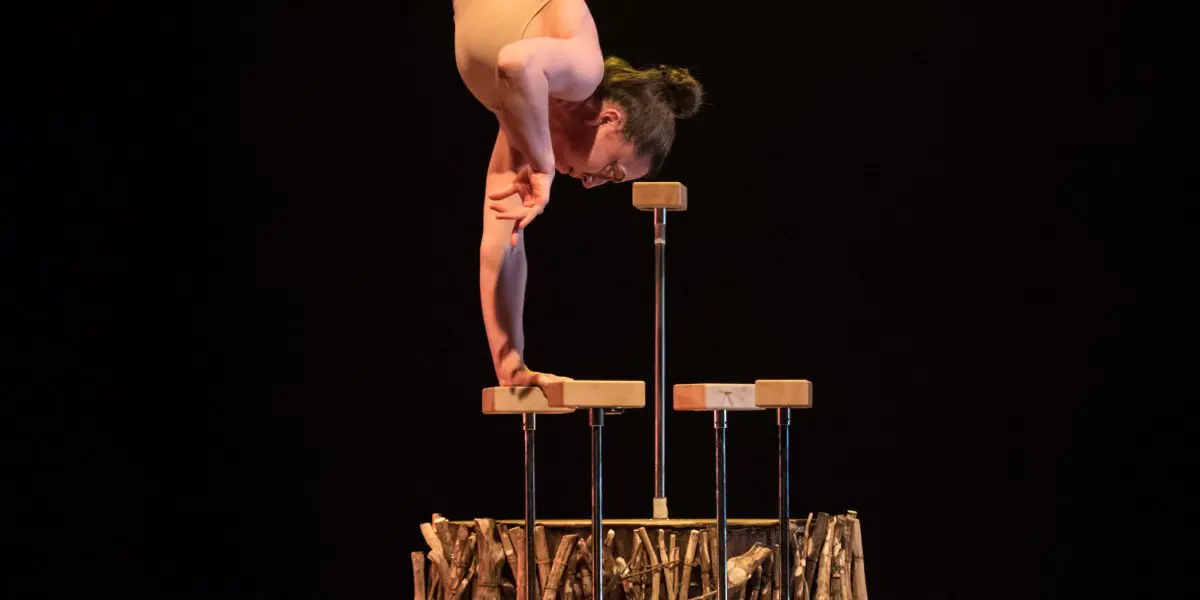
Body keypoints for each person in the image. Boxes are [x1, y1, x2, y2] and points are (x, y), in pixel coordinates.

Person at [453, 0, 703, 388]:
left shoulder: (520, 125)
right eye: (611, 172)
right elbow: (517, 62)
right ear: (609, 119)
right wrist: (543, 166)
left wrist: (511, 365)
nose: (592, 183)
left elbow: (501, 247)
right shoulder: (587, 71)